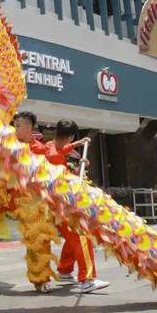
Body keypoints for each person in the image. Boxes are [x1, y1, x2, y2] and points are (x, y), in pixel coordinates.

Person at [32, 119, 109, 294]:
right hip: (59, 205)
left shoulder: (50, 146)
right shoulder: (54, 157)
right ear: (70, 135)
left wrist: (77, 144)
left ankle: (65, 270)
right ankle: (87, 279)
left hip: (49, 203)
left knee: (73, 236)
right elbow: (63, 183)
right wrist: (78, 170)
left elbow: (60, 148)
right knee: (82, 235)